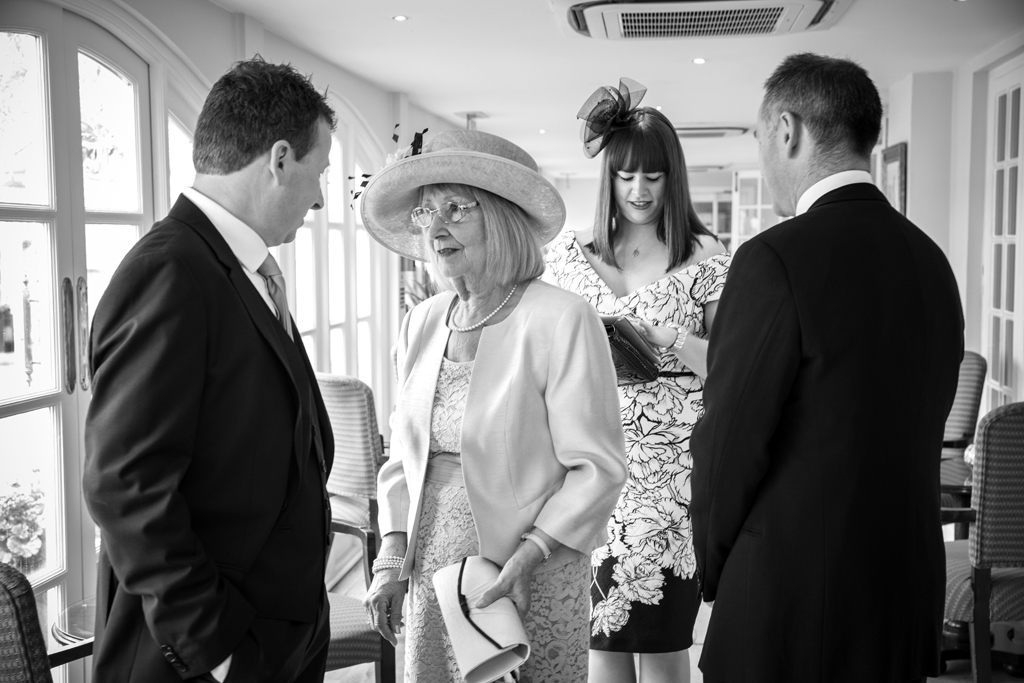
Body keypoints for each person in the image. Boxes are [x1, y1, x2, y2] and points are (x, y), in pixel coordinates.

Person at [690, 53, 964, 683]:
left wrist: (716, 566)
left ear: (787, 130)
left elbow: (729, 440)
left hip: (792, 601)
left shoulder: (773, 258)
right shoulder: (931, 261)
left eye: (761, 139)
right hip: (903, 595)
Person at [83, 57, 337, 683]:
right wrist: (219, 652)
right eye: (320, 171)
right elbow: (126, 485)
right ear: (280, 160)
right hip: (207, 659)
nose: (320, 198)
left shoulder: (240, 270)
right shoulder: (168, 271)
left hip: (278, 638)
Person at [359, 128, 628, 683]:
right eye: (426, 212)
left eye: (456, 209)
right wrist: (390, 555)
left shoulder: (561, 317)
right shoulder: (422, 320)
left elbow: (597, 468)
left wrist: (531, 552)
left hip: (529, 571)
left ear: (503, 218)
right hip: (432, 569)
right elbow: (403, 459)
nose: (436, 228)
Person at [545, 78, 729, 683]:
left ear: (674, 178)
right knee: (599, 644)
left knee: (665, 648)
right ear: (609, 178)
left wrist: (669, 337)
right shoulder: (567, 256)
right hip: (589, 466)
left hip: (671, 479)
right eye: (626, 176)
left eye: (653, 175)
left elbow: (731, 367)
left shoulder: (704, 255)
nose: (640, 190)